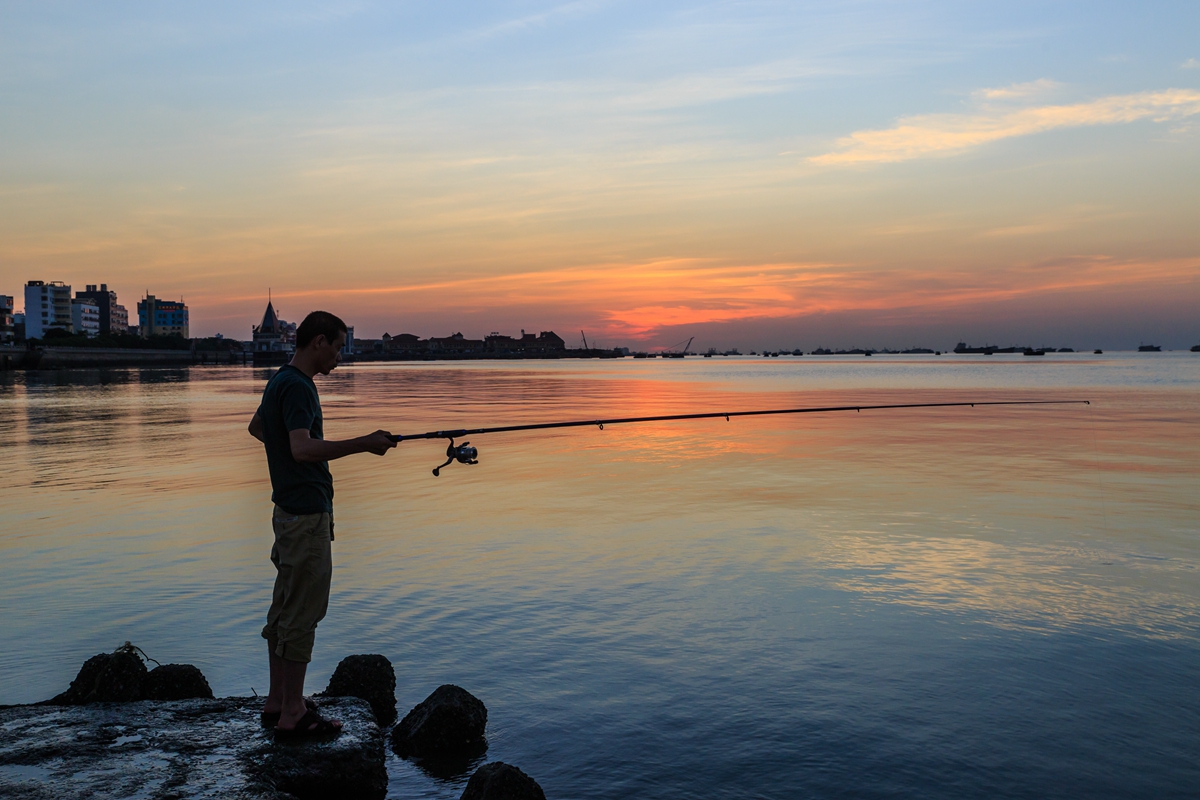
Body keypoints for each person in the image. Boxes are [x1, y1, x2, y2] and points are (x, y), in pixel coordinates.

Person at [247, 310, 396, 736]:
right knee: (303, 613)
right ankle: (293, 713)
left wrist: (289, 457)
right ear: (318, 343)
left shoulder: (279, 380)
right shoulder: (299, 387)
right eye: (337, 346)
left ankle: (278, 701)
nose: (339, 356)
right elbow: (301, 448)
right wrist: (365, 444)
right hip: (306, 514)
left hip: (286, 512)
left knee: (284, 608)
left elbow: (259, 428)